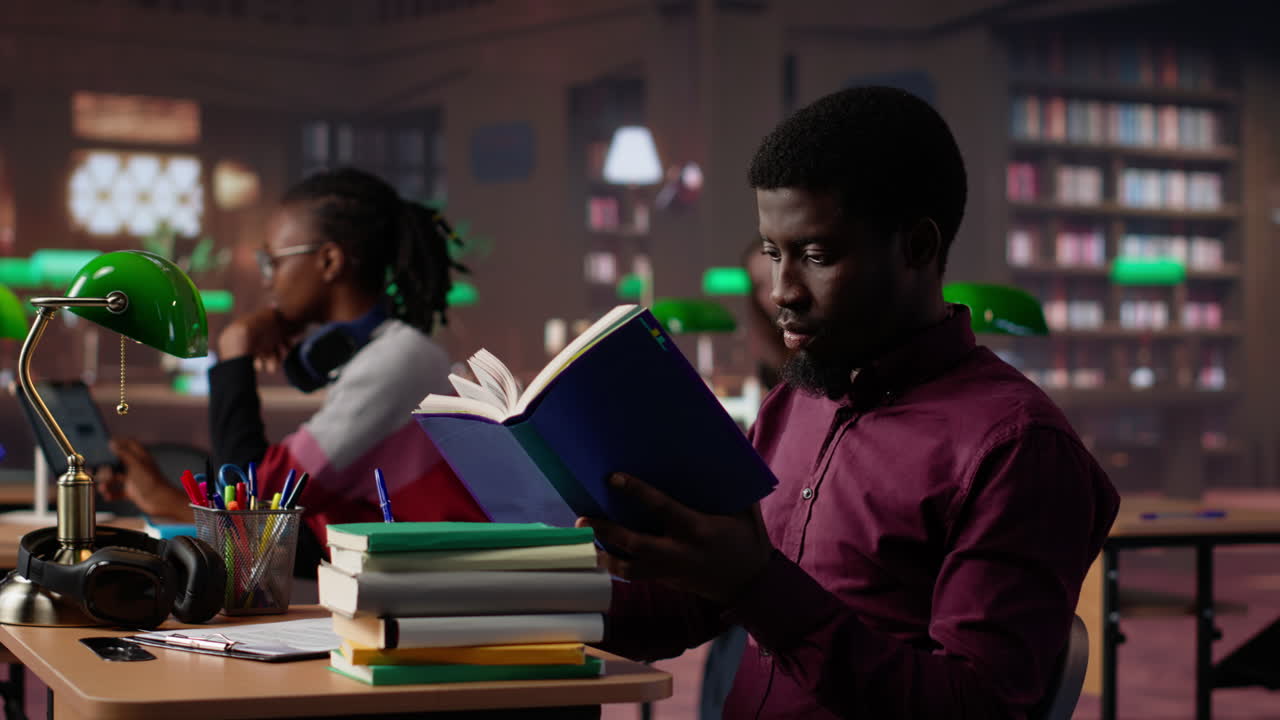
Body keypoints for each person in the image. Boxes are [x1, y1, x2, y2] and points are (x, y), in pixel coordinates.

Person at [578, 86, 1120, 718]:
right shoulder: (795, 403)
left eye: (815, 255)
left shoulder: (1017, 447)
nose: (781, 291)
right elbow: (698, 603)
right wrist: (506, 593)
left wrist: (757, 585)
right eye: (773, 253)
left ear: (917, 247)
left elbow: (975, 707)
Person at [99, 168, 489, 566]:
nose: (268, 280)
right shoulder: (389, 356)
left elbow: (258, 499)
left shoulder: (399, 361)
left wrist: (235, 352)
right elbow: (316, 528)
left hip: (453, 597)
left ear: (329, 261)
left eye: (273, 261)